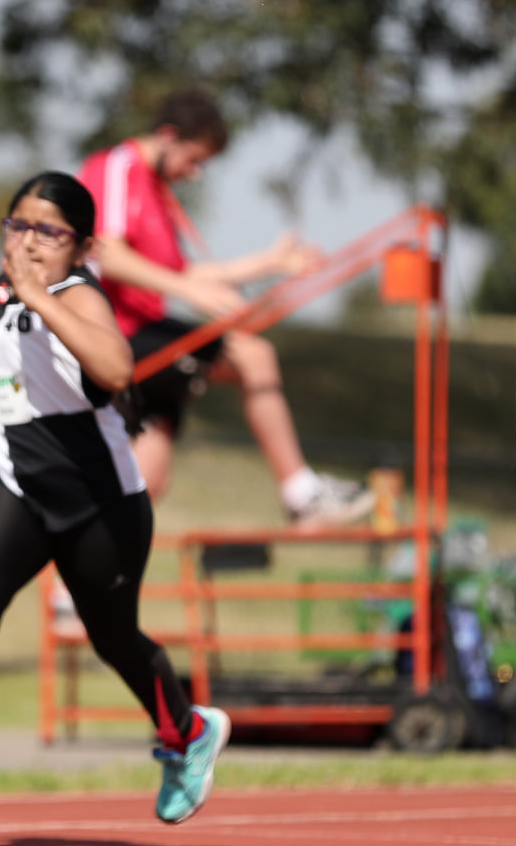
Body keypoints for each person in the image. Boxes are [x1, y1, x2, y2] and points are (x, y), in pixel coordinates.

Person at [0, 171, 230, 833]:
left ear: (82, 247)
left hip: (100, 501)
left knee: (112, 636)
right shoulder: (4, 286)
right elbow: (4, 351)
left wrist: (42, 295)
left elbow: (117, 369)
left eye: (49, 232)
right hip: (17, 481)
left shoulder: (78, 295)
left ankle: (188, 733)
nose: (30, 242)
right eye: (19, 226)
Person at [77, 87, 372, 526]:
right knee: (254, 355)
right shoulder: (117, 168)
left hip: (148, 331)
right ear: (168, 135)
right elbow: (109, 255)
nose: (194, 173)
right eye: (193, 159)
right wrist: (186, 290)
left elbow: (187, 274)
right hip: (114, 333)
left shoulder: (158, 193)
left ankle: (76, 586)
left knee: (148, 479)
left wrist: (270, 263)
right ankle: (300, 493)